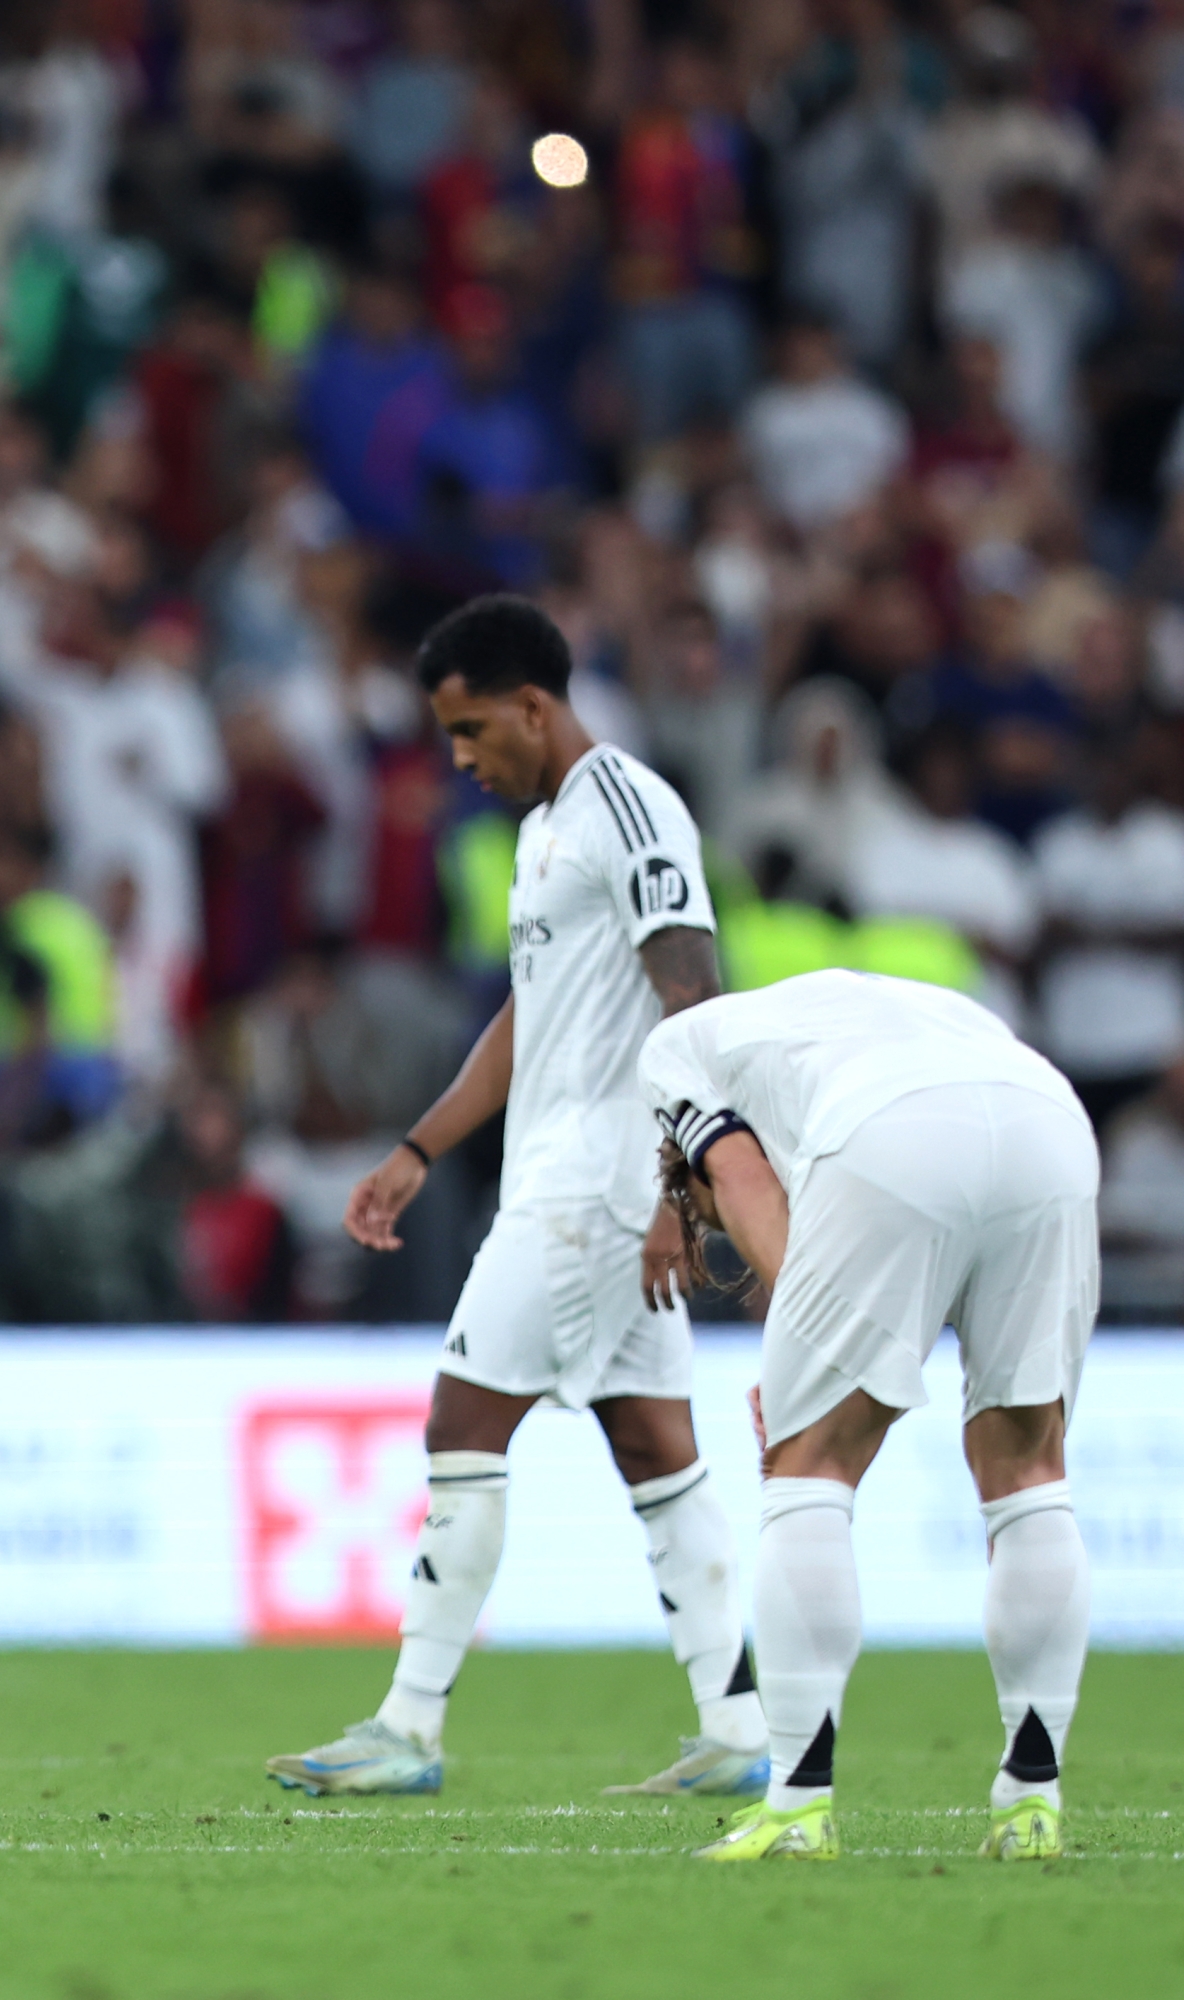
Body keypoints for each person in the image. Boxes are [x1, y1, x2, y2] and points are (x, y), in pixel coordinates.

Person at [267, 595, 762, 1799]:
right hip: (569, 1173)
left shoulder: (632, 809)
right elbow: (527, 1016)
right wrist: (420, 1148)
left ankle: (410, 1725)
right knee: (654, 1444)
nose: (460, 759)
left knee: (459, 1426)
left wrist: (679, 1192)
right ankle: (744, 1727)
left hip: (596, 1184)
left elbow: (695, 1000)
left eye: (473, 729)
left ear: (535, 705)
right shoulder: (547, 833)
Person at [646, 970, 1097, 1864]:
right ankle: (1031, 1803)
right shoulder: (840, 1017)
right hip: (1050, 1119)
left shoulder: (670, 1053)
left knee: (806, 1466)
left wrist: (793, 1330)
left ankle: (799, 1805)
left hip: (891, 1132)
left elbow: (737, 1170)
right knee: (1028, 1469)